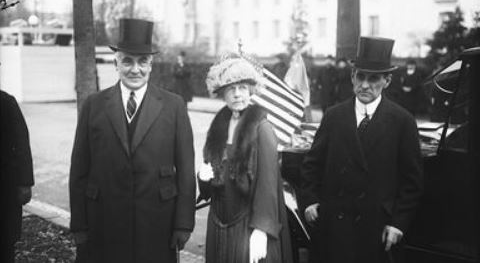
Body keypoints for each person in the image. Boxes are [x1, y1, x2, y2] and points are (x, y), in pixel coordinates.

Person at [69, 18, 196, 263]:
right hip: (104, 222)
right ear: (116, 63)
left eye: (142, 61)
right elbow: (79, 170)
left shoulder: (174, 106)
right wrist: (79, 226)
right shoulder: (94, 105)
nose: (135, 69)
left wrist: (183, 224)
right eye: (127, 60)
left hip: (157, 224)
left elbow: (186, 172)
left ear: (151, 65)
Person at [300, 37, 423, 263]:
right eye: (360, 76)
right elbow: (311, 166)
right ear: (352, 77)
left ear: (387, 80)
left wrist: (398, 224)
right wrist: (309, 200)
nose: (365, 85)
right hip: (332, 228)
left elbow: (411, 183)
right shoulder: (333, 116)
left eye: (374, 78)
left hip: (376, 230)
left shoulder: (402, 121)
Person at [197, 54, 293, 263]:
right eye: (231, 89)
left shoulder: (262, 129)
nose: (237, 94)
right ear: (222, 93)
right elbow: (212, 185)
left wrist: (261, 230)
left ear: (251, 89)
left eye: (242, 87)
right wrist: (203, 179)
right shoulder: (218, 126)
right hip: (219, 222)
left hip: (248, 223)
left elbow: (267, 185)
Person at [0, 90, 34, 263]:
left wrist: (25, 183)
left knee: (4, 245)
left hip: (4, 190)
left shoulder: (6, 102)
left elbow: (21, 143)